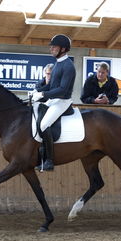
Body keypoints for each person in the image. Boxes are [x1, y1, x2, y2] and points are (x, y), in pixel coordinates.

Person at [31, 34, 76, 171]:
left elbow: (62, 90)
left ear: (63, 48)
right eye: (51, 46)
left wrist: (43, 94)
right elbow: (51, 86)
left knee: (44, 124)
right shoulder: (58, 64)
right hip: (54, 100)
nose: (51, 49)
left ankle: (49, 161)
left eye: (54, 47)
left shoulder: (68, 66)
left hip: (62, 101)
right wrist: (36, 91)